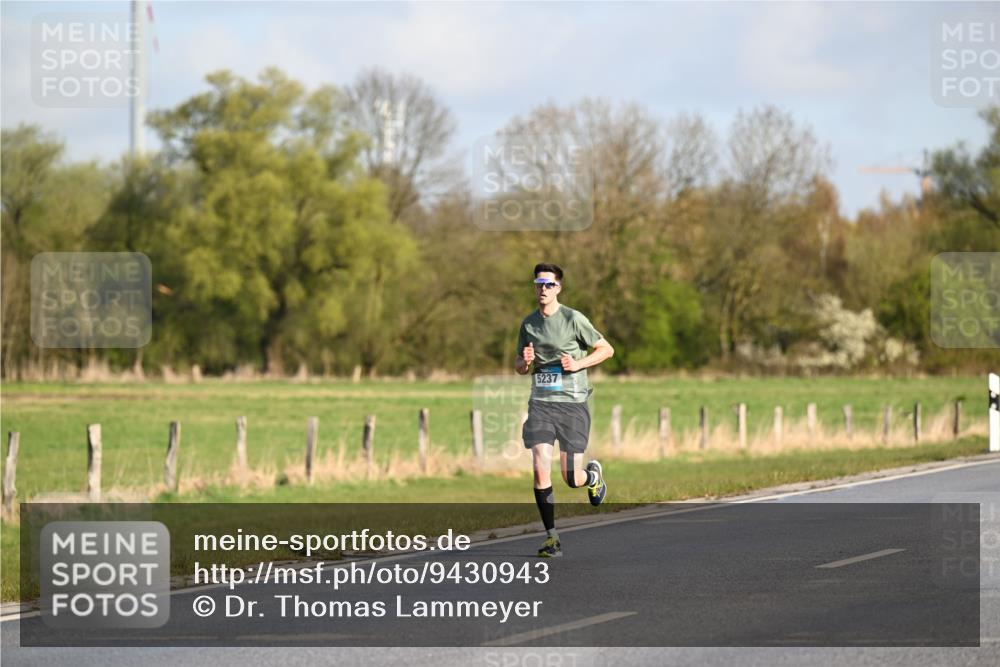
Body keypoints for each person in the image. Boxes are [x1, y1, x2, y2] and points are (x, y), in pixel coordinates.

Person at [514, 263, 614, 558]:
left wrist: (578, 364)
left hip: (572, 405)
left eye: (548, 284)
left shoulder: (573, 319)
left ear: (558, 288)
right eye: (538, 284)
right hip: (541, 405)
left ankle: (592, 477)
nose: (543, 289)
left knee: (571, 477)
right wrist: (525, 362)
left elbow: (607, 350)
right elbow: (519, 367)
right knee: (539, 466)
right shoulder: (528, 324)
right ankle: (551, 538)